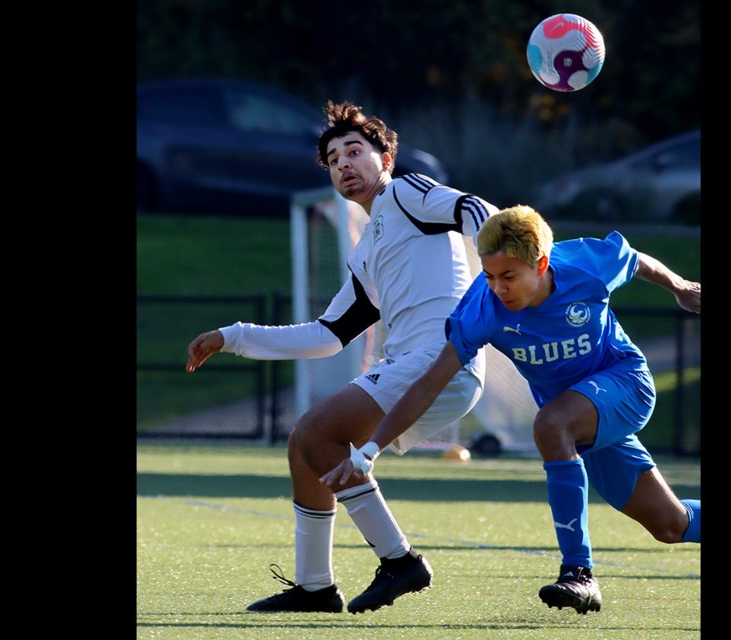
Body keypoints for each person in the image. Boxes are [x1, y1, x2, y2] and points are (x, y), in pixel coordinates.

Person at [185, 100, 499, 614]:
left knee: (316, 432)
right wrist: (235, 336)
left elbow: (469, 208)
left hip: (441, 361)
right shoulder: (364, 251)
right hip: (419, 368)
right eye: (333, 160)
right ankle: (315, 587)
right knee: (303, 446)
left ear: (386, 160)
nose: (344, 164)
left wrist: (498, 255)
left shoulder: (406, 192)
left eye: (355, 151)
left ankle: (400, 560)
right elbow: (329, 334)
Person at [321, 204, 701, 615]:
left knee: (551, 425)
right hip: (579, 418)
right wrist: (371, 448)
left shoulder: (586, 264)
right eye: (489, 275)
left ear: (541, 264)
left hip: (626, 384)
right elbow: (430, 383)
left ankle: (579, 573)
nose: (498, 288)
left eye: (508, 277)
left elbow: (635, 259)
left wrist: (680, 286)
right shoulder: (480, 309)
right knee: (670, 523)